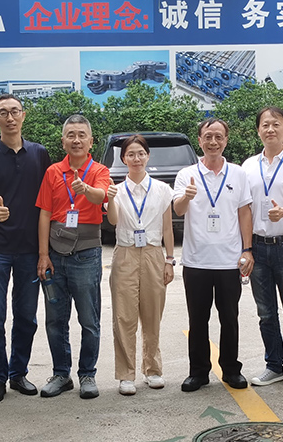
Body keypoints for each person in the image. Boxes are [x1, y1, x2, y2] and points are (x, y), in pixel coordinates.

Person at [0, 95, 51, 403]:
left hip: (30, 248)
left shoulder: (39, 154)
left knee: (26, 317)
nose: (9, 117)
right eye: (2, 113)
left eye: (14, 111)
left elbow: (49, 198)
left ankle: (18, 373)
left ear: (23, 115)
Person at [173, 118, 253, 393]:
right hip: (196, 260)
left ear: (226, 140)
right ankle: (198, 372)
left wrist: (247, 249)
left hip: (229, 260)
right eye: (208, 137)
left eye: (219, 137)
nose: (213, 142)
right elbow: (178, 210)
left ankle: (231, 369)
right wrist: (187, 196)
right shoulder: (186, 174)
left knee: (229, 317)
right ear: (199, 140)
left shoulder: (238, 174)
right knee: (198, 319)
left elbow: (244, 212)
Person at [35, 114, 111, 399]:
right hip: (55, 255)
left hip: (86, 255)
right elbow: (44, 213)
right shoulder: (53, 172)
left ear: (90, 141)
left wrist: (85, 188)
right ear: (63, 141)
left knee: (89, 319)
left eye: (81, 135)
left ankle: (87, 374)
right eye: (71, 135)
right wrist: (44, 255)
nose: (76, 140)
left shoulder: (99, 170)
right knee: (55, 319)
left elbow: (100, 196)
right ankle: (61, 374)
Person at [241, 107, 283, 388]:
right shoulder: (248, 165)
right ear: (258, 130)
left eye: (276, 124)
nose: (270, 129)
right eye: (265, 125)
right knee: (266, 312)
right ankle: (273, 366)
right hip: (258, 247)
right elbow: (244, 208)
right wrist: (245, 248)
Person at [105, 134, 176, 396]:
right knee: (123, 316)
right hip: (125, 254)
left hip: (153, 253)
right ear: (124, 158)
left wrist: (169, 260)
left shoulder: (162, 189)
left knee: (152, 314)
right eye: (131, 154)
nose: (136, 158)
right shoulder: (116, 189)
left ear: (148, 156)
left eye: (141, 153)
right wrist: (110, 199)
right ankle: (126, 375)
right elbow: (113, 221)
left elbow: (167, 228)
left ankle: (153, 369)